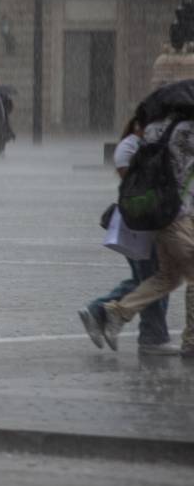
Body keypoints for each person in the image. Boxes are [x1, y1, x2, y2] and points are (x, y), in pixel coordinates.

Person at [89, 110, 194, 356]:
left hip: (170, 218)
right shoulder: (177, 140)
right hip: (175, 218)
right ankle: (190, 341)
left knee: (167, 278)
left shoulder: (161, 138)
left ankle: (117, 311)